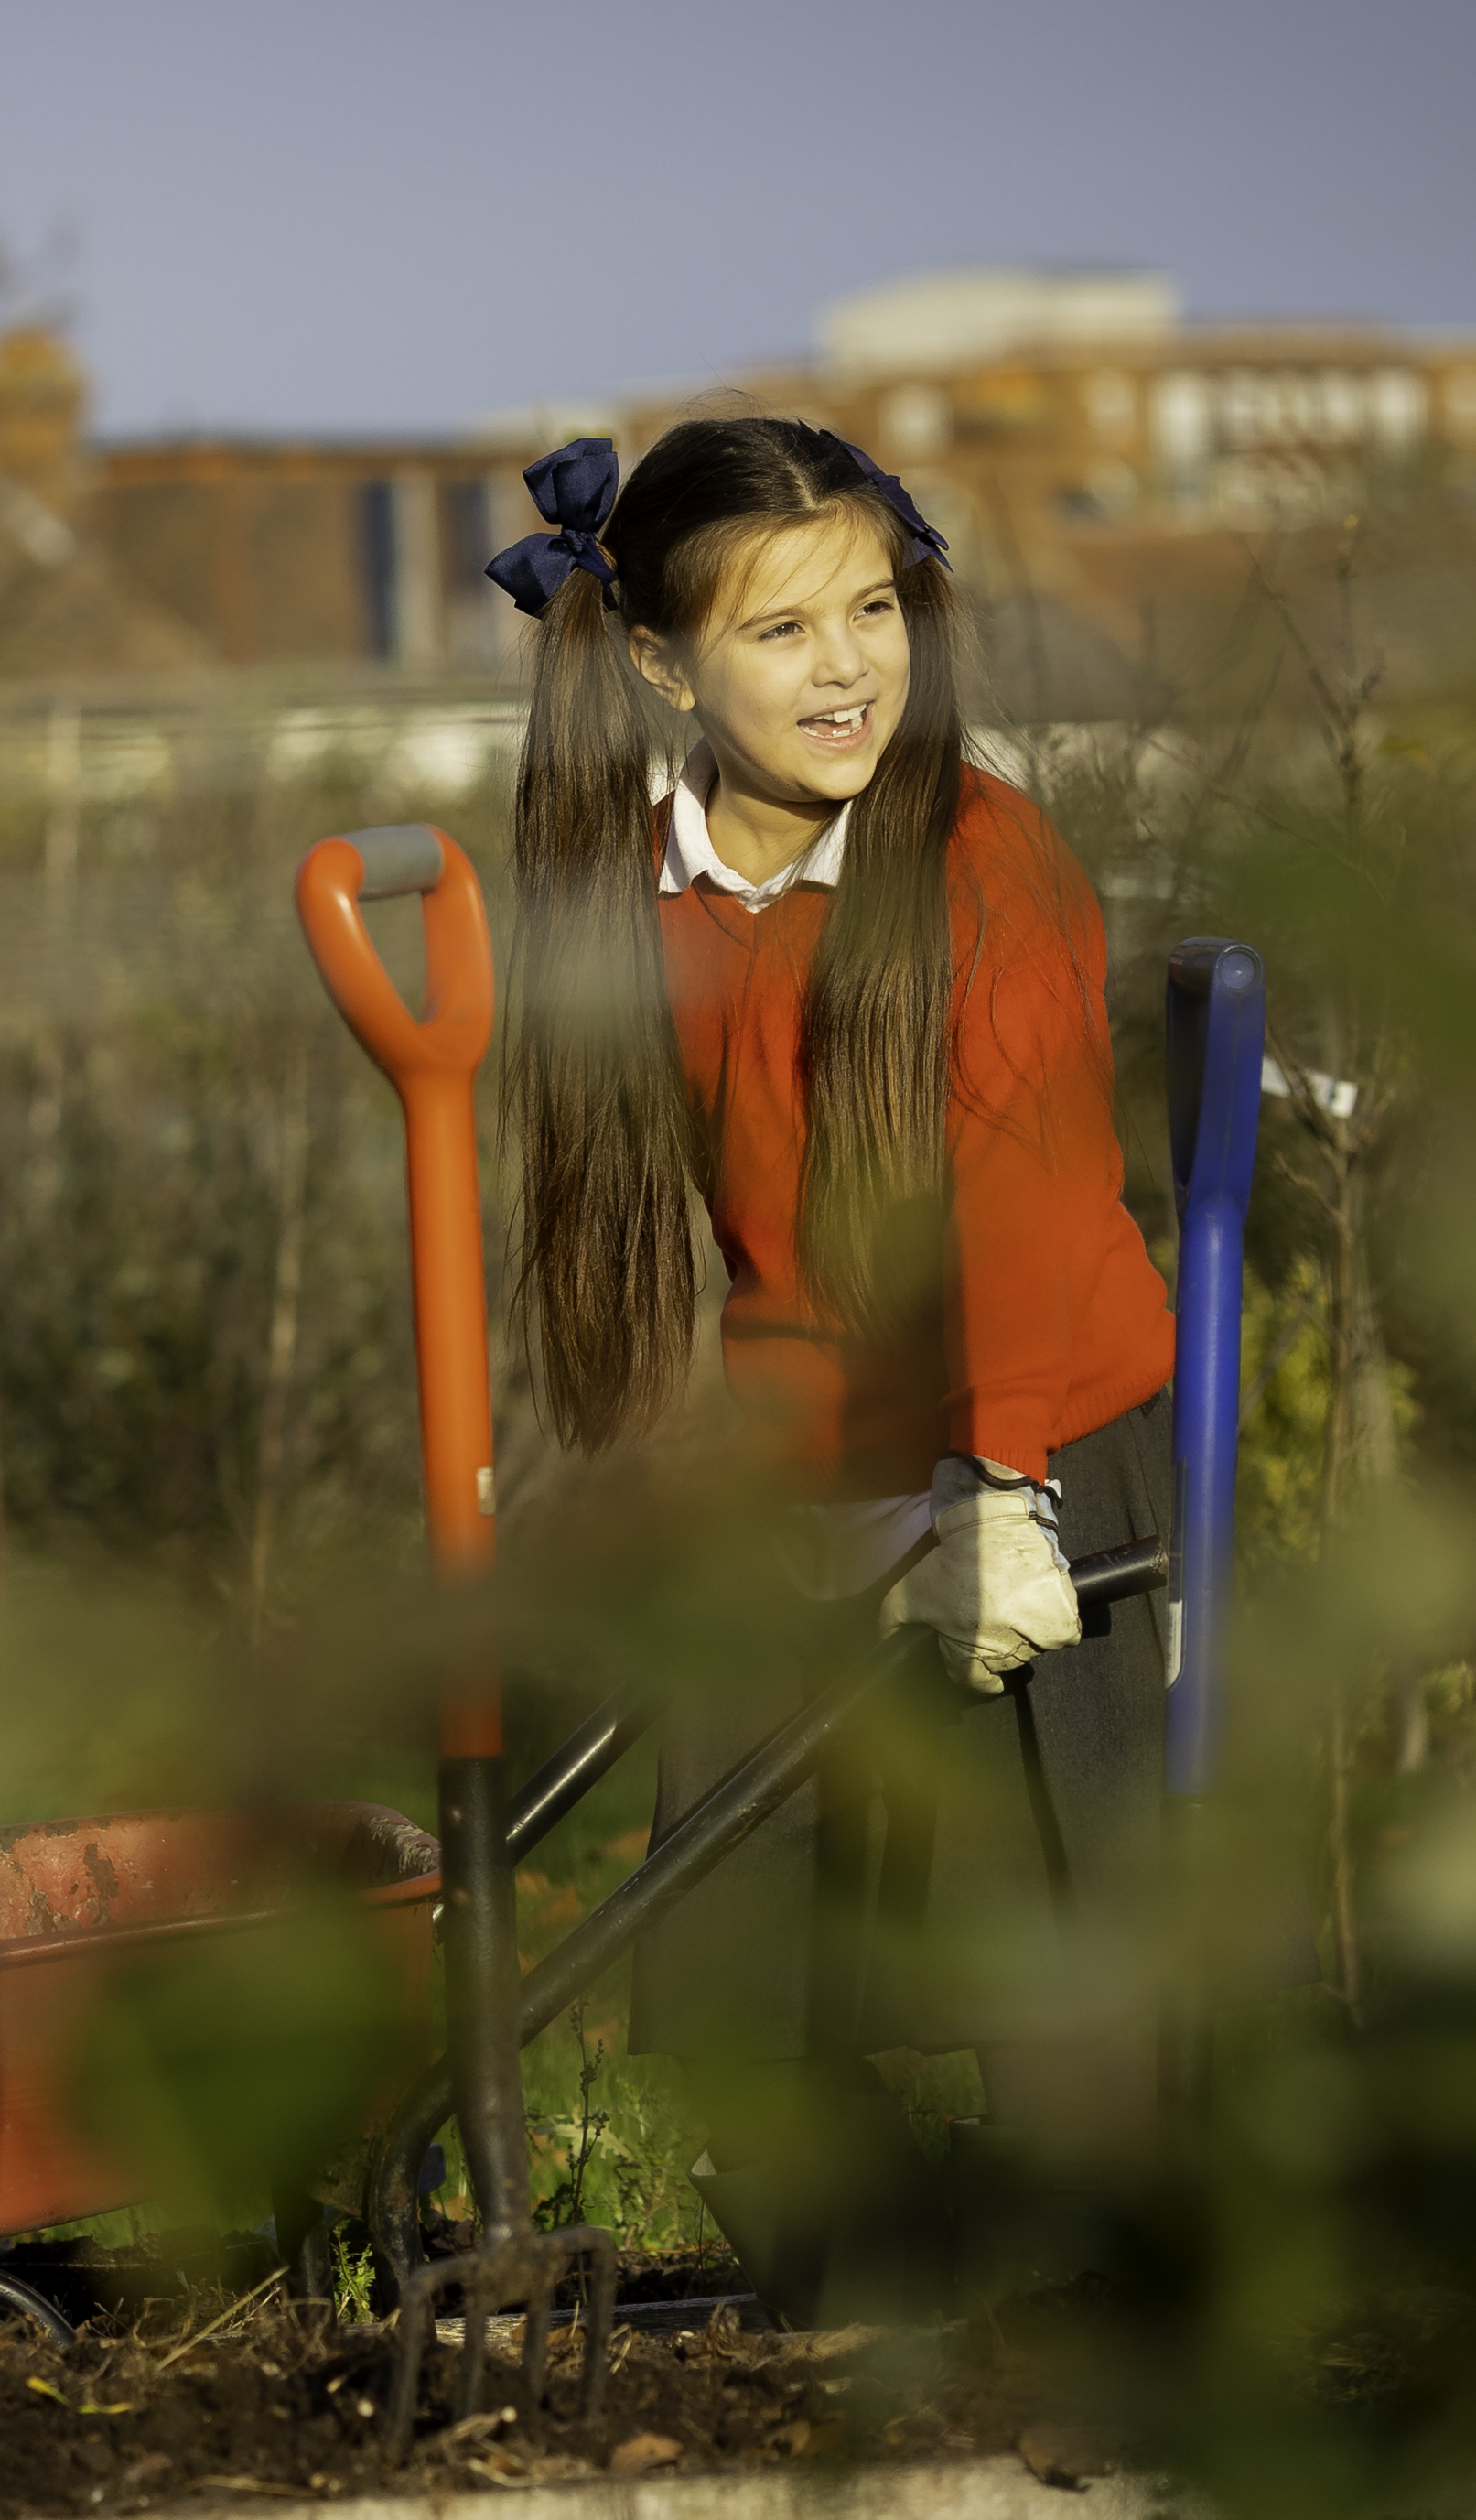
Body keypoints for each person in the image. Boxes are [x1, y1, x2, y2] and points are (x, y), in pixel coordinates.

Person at [486, 421, 1175, 2326]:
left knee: (1051, 1946)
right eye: (782, 631)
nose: (850, 667)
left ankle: (1090, 2286)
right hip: (807, 1462)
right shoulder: (639, 893)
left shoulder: (985, 856)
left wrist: (1003, 1486)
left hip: (1040, 1439)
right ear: (657, 663)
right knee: (744, 1960)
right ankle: (856, 2289)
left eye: (873, 608)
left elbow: (1028, 1208)